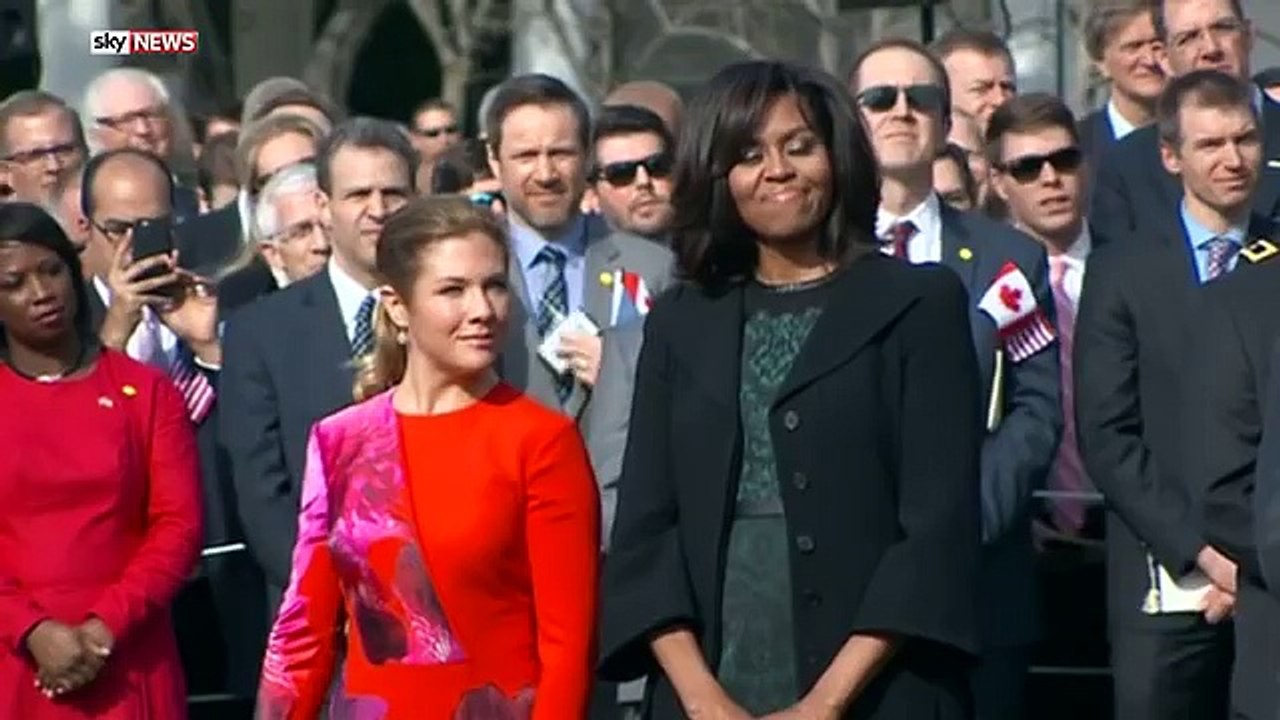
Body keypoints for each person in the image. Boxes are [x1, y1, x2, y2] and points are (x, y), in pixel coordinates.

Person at [600, 60, 983, 719]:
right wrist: (702, 700)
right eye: (749, 155)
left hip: (879, 688)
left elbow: (935, 530)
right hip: (709, 677)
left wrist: (824, 704)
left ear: (837, 157)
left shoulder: (919, 303)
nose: (777, 170)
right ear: (717, 175)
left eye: (800, 147)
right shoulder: (681, 319)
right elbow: (646, 531)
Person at [257, 195, 599, 719]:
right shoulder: (342, 440)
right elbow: (302, 635)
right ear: (397, 306)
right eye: (453, 290)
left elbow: (567, 647)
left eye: (494, 285)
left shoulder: (541, 440)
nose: (482, 310)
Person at [851, 38, 1062, 720]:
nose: (901, 111)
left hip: (979, 582)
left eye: (921, 98)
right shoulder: (816, 253)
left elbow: (1036, 409)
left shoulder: (1009, 259)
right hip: (848, 580)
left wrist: (961, 521)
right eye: (880, 98)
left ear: (947, 122)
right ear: (852, 120)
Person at [1078, 69, 1261, 720]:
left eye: (1244, 139)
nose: (1232, 159)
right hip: (1163, 583)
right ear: (1170, 156)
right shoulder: (1121, 271)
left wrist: (1258, 567)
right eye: (1210, 144)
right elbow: (1108, 433)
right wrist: (1206, 556)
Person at [0, 201, 202, 718]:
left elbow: (177, 527)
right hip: (16, 661)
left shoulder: (145, 391)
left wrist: (104, 627)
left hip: (129, 655)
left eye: (52, 271)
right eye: (14, 283)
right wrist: (31, 629)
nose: (41, 293)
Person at [220, 117, 416, 613]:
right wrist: (337, 594)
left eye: (393, 193)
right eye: (359, 195)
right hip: (321, 612)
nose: (378, 211)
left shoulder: (448, 311)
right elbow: (263, 495)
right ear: (324, 206)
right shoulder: (260, 332)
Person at [483, 74, 673, 419]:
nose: (545, 174)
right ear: (495, 161)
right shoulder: (468, 268)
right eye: (526, 156)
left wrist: (619, 373)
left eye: (561, 153)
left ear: (587, 156)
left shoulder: (655, 269)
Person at [1092, 0, 1280, 243]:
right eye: (1189, 38)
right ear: (1164, 58)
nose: (1210, 48)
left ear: (1249, 35)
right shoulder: (1127, 165)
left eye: (1223, 28)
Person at [1078, 0, 1165, 161]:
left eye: (1158, 45)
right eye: (1134, 47)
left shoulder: (1198, 137)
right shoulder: (1076, 149)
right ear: (1101, 62)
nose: (1150, 60)